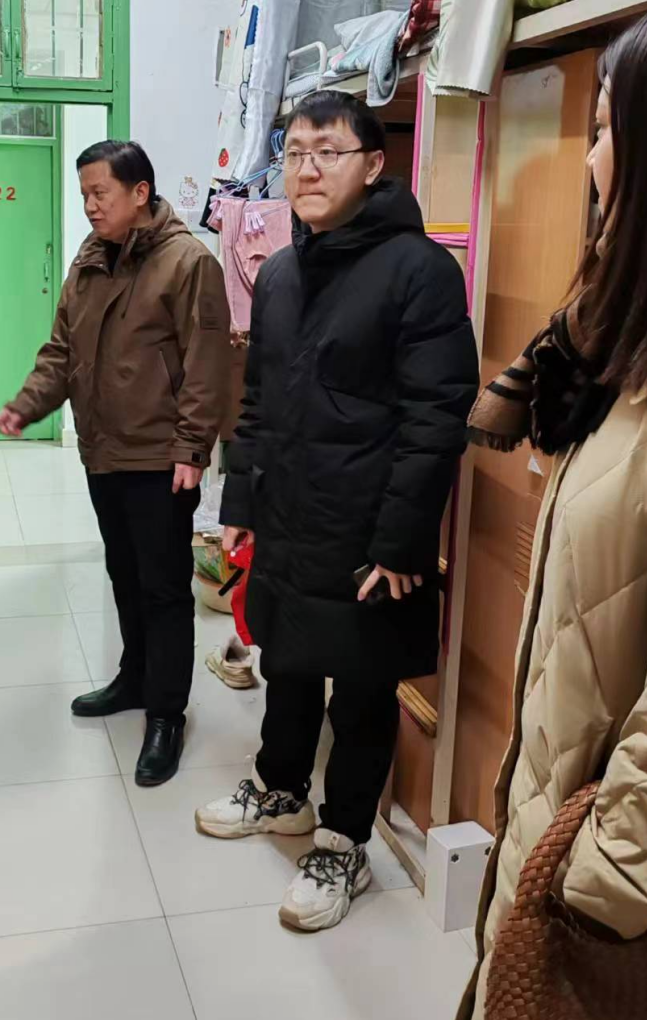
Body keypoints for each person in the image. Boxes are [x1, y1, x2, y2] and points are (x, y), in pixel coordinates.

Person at [454, 0, 647, 1020]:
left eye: (603, 130)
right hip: (563, 834)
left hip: (612, 900)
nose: (588, 162)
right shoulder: (638, 349)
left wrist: (594, 885)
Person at [195, 90, 478, 932]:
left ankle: (345, 839)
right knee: (285, 656)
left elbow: (437, 416)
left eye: (328, 151)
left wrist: (401, 541)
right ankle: (282, 789)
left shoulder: (422, 272)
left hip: (367, 527)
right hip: (287, 511)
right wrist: (240, 500)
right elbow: (257, 402)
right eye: (294, 153)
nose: (307, 169)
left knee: (361, 684)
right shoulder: (282, 272)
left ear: (374, 165)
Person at [0, 140, 231, 786]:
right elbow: (60, 352)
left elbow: (208, 363)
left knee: (164, 587)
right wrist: (26, 405)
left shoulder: (188, 262)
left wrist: (192, 447)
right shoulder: (90, 259)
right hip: (104, 450)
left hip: (161, 458)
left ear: (140, 192)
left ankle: (167, 713)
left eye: (100, 192)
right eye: (85, 195)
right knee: (124, 573)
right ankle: (135, 676)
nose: (90, 205)